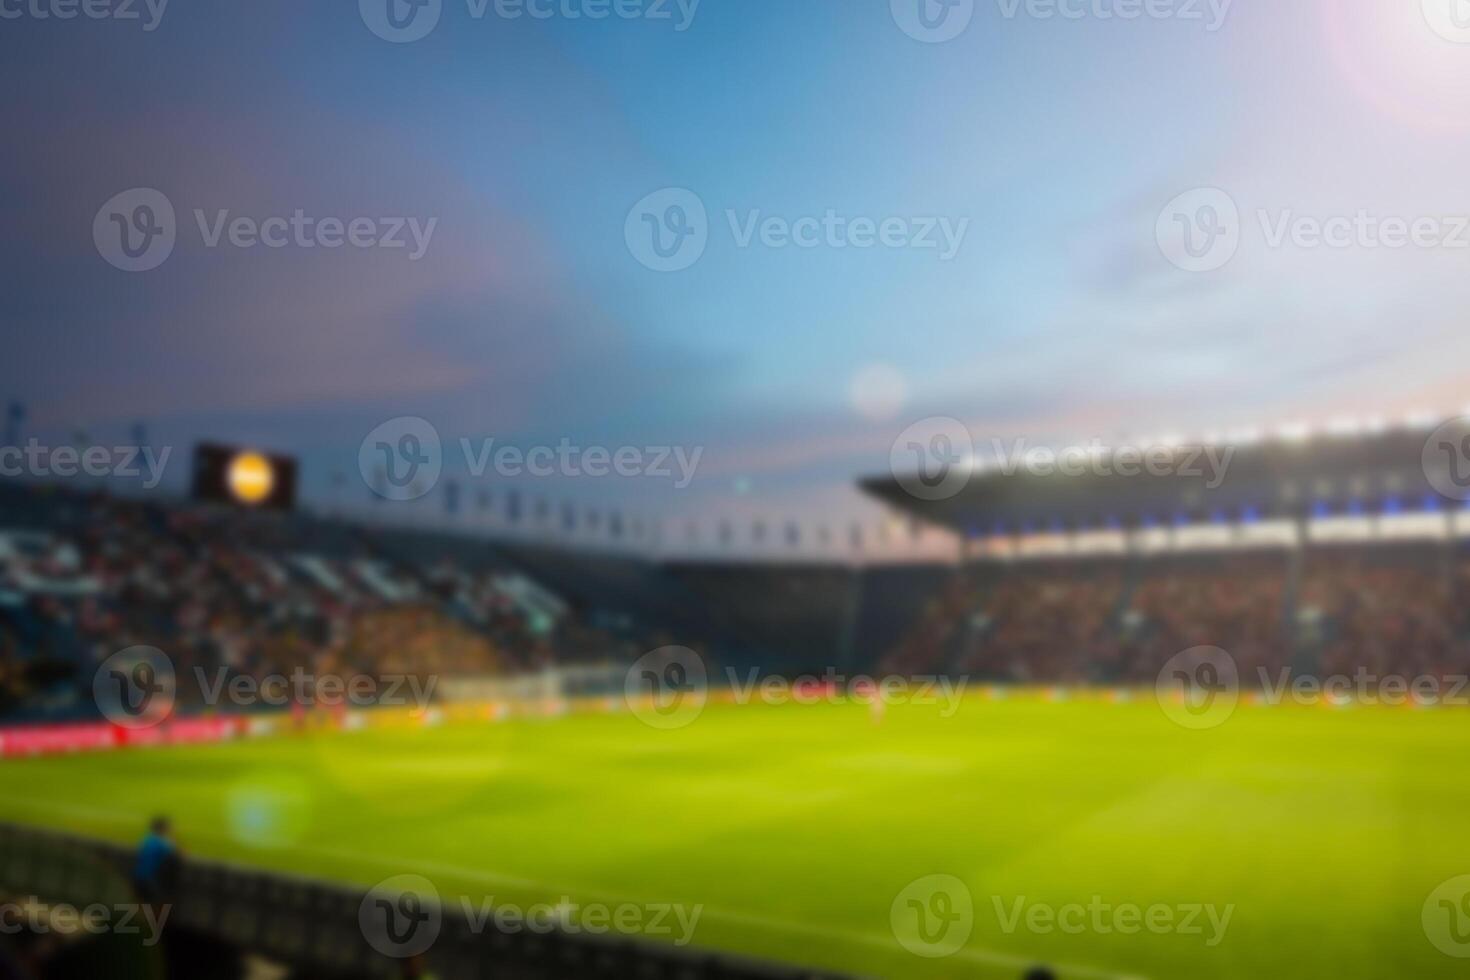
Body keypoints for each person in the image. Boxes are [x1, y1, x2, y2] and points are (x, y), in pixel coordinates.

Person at [132, 816, 180, 906]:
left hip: (138, 875)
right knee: (154, 905)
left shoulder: (146, 839)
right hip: (150, 879)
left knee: (140, 902)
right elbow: (179, 854)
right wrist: (173, 838)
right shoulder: (162, 843)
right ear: (163, 829)